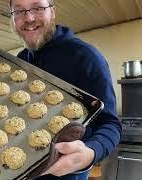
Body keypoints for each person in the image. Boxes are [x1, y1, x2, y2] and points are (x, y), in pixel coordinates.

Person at [9, 0, 122, 179]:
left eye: (37, 8)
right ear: (13, 18)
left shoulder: (86, 57)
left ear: (52, 12)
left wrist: (91, 153)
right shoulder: (21, 59)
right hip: (23, 167)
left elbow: (110, 124)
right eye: (19, 11)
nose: (28, 17)